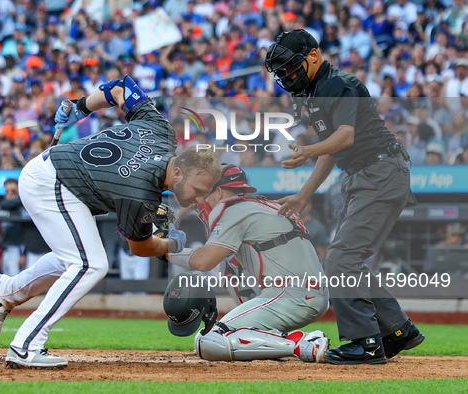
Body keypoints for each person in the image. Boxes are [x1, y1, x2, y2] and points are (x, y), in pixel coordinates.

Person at [0, 76, 221, 369]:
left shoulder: (162, 131)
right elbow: (140, 247)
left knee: (75, 258)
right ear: (178, 173)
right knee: (91, 264)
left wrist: (82, 106)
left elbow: (120, 87)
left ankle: (8, 291)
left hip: (55, 175)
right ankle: (26, 345)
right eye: (198, 191)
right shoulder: (141, 194)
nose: (199, 199)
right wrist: (172, 243)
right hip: (52, 182)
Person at [265, 29, 424, 365]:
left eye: (290, 67)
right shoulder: (314, 92)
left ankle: (364, 344)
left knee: (340, 259)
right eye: (281, 72)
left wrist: (306, 150)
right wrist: (304, 195)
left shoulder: (339, 84)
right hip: (365, 176)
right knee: (346, 259)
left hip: (380, 172)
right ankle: (398, 330)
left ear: (313, 55)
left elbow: (345, 137)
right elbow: (333, 149)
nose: (286, 76)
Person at [165, 165, 330, 363]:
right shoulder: (259, 206)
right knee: (229, 266)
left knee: (208, 341)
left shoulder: (233, 211)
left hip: (290, 294)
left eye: (204, 193)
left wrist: (163, 249)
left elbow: (203, 261)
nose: (200, 201)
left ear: (218, 192)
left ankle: (304, 344)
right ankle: (282, 341)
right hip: (304, 293)